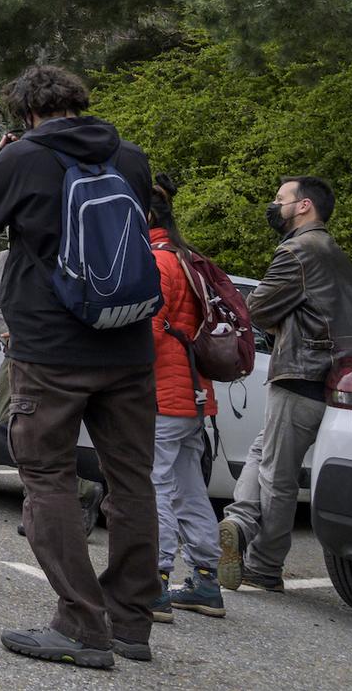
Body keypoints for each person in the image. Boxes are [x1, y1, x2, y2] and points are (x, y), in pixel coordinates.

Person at [0, 65, 159, 669]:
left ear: (26, 114)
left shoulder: (24, 157)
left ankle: (81, 625)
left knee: (49, 480)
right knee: (132, 481)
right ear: (80, 102)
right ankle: (131, 623)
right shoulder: (130, 157)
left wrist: (3, 159)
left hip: (50, 348)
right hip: (127, 342)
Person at [218, 176, 352, 594]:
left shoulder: (298, 251)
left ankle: (264, 564)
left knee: (277, 475)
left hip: (302, 374)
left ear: (304, 206)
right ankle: (240, 522)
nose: (273, 205)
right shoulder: (333, 250)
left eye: (280, 198)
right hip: (334, 375)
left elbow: (258, 309)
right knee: (262, 453)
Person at [0, 247, 106, 537]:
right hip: (17, 354)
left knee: (44, 430)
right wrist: (7, 331)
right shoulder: (3, 259)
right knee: (10, 424)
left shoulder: (66, 254)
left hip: (56, 356)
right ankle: (78, 491)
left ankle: (43, 510)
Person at [146, 178, 224, 620]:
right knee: (189, 485)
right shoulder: (189, 258)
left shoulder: (157, 261)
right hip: (194, 393)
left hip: (164, 392)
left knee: (153, 483)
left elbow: (150, 332)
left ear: (147, 216)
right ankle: (206, 579)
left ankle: (154, 581)